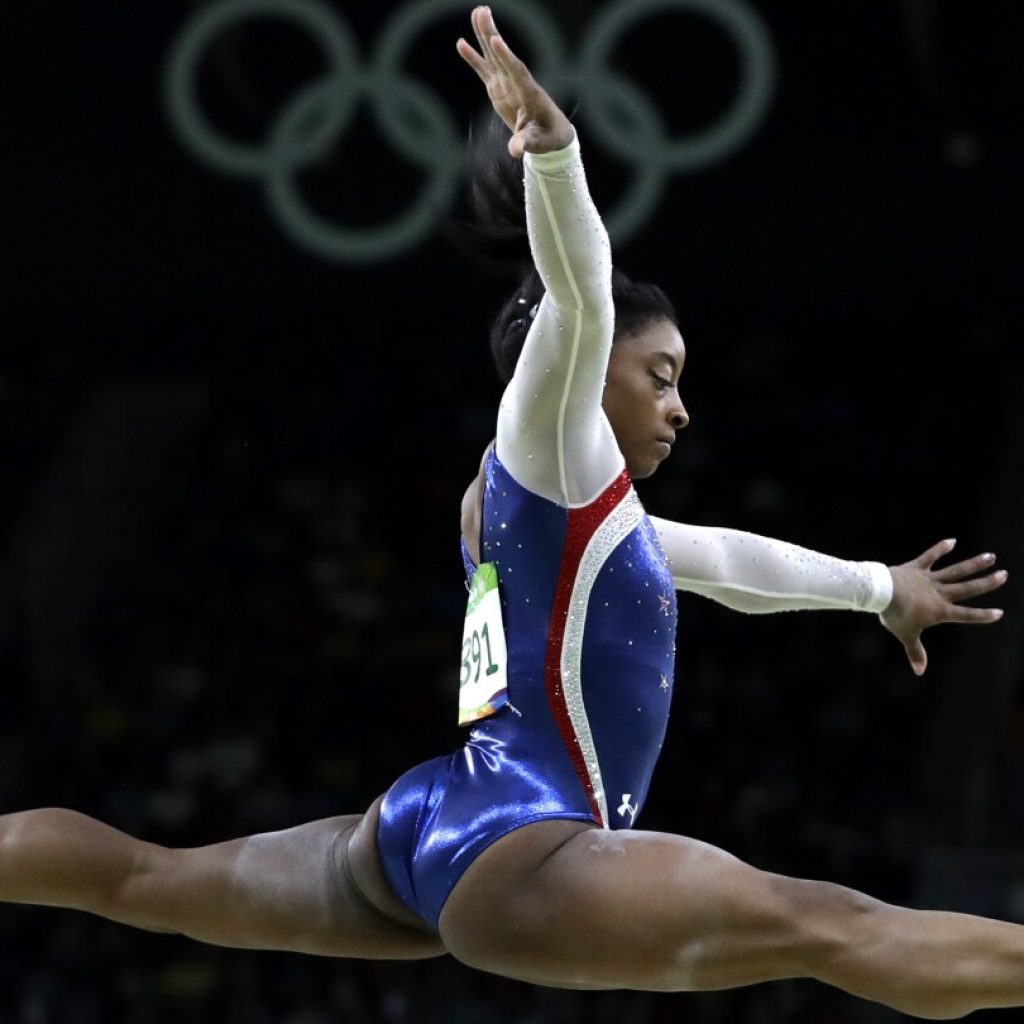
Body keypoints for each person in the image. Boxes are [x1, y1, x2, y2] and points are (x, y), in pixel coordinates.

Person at [0, 6, 1016, 1019]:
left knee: (148, 880)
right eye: (659, 377)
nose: (678, 406)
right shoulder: (549, 451)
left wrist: (880, 588)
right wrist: (556, 158)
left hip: (421, 825)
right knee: (830, 923)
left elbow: (725, 561)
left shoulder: (568, 514)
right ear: (587, 375)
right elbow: (582, 302)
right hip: (524, 845)